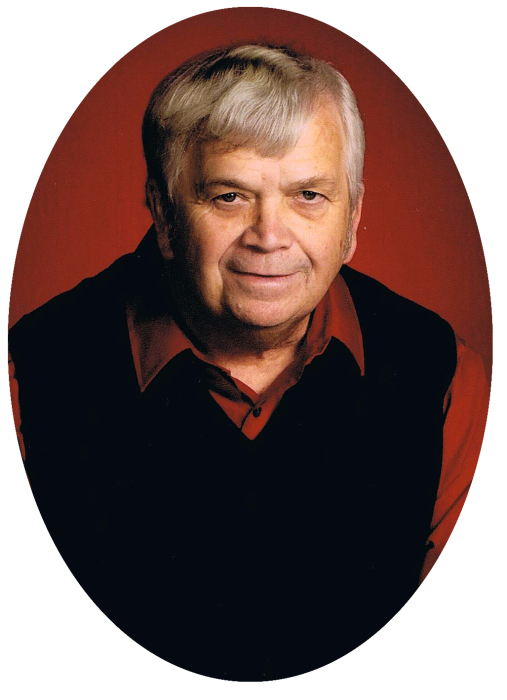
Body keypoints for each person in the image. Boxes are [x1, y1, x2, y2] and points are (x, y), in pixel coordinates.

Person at [8, 44, 488, 681]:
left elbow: (458, 647)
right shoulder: (28, 377)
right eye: (229, 196)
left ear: (353, 218)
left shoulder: (445, 381)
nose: (269, 236)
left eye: (309, 195)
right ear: (164, 215)